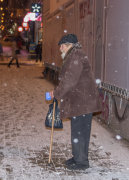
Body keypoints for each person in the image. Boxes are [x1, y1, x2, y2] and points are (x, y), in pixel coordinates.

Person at [50, 34, 102, 170]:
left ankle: (82, 162)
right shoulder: (74, 55)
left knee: (80, 132)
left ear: (68, 45)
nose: (60, 49)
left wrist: (56, 93)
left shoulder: (76, 56)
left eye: (61, 46)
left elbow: (69, 81)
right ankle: (77, 157)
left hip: (82, 102)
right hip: (80, 102)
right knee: (77, 131)